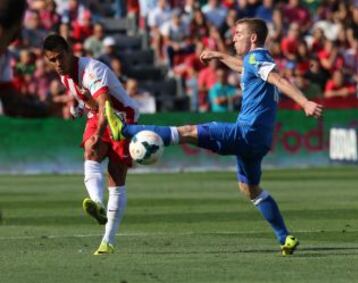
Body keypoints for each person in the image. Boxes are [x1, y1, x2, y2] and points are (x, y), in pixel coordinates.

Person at [105, 18, 323, 256]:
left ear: (252, 38)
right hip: (259, 141)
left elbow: (279, 80)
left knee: (187, 132)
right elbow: (241, 66)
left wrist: (304, 102)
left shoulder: (256, 58)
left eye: (238, 34)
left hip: (244, 132)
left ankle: (124, 129)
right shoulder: (256, 60)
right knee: (250, 189)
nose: (233, 37)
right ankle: (285, 237)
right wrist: (219, 55)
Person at [42, 34, 139, 255]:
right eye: (52, 60)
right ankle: (97, 204)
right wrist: (77, 108)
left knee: (116, 178)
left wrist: (99, 132)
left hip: (122, 115)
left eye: (59, 58)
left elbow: (106, 105)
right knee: (91, 151)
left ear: (69, 52)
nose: (57, 64)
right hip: (98, 114)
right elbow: (87, 99)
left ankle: (108, 241)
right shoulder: (66, 76)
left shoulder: (91, 70)